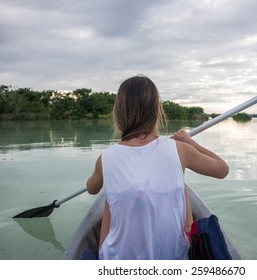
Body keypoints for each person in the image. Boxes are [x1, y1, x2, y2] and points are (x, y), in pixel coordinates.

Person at [86, 75, 229, 260]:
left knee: (108, 198)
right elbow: (222, 169)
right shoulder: (181, 149)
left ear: (119, 113)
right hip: (172, 258)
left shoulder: (105, 158)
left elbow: (91, 189)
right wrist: (190, 142)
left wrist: (100, 176)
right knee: (181, 185)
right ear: (156, 111)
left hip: (117, 261)